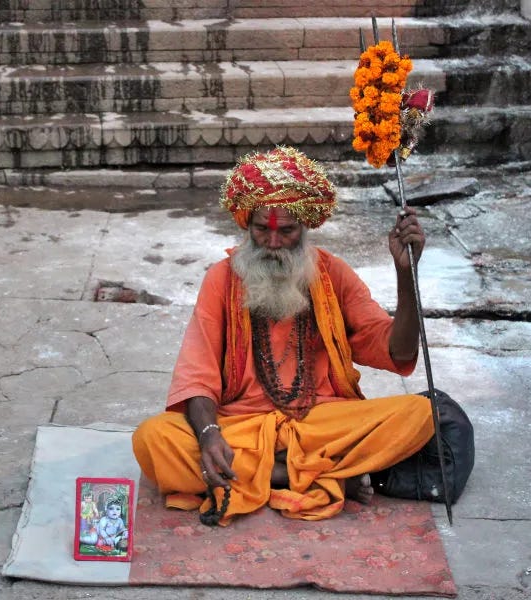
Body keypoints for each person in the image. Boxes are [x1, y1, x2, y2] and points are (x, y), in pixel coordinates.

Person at [131, 146, 435, 524]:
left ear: (304, 227)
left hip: (319, 422)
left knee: (421, 413)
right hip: (241, 425)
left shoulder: (332, 274)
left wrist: (406, 275)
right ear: (247, 225)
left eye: (287, 231)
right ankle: (305, 475)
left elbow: (396, 350)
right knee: (153, 438)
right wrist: (210, 434)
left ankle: (270, 473)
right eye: (262, 229)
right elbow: (197, 375)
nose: (273, 244)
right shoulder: (222, 279)